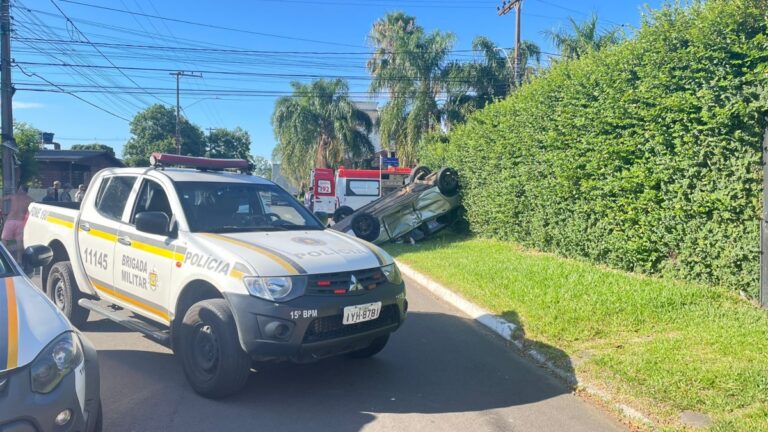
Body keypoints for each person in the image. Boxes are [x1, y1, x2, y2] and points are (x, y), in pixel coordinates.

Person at [2, 184, 33, 260]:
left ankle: (4, 259)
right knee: (19, 241)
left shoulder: (14, 196)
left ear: (21, 189)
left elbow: (2, 199)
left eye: (19, 189)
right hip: (21, 222)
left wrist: (2, 211)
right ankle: (19, 261)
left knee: (4, 239)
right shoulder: (30, 199)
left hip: (10, 220)